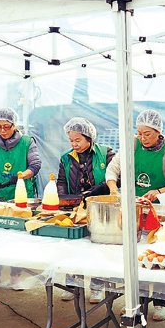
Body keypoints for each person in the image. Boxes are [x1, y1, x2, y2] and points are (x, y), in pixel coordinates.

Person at [106, 109, 165, 321]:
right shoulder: (131, 145)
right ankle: (133, 302)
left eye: (147, 134)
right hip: (133, 211)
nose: (142, 138)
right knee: (133, 259)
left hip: (160, 213)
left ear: (159, 131)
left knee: (159, 258)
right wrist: (114, 189)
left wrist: (160, 191)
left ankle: (161, 302)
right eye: (139, 133)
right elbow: (113, 169)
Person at [0, 108, 41, 294]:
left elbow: (35, 166)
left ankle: (15, 276)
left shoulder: (27, 142)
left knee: (17, 238)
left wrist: (20, 177)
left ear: (14, 125)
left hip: (20, 195)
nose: (2, 130)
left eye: (6, 126)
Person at [57, 117, 116, 304]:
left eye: (78, 140)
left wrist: (101, 187)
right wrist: (63, 197)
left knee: (97, 246)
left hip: (101, 206)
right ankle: (72, 283)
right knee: (73, 246)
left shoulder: (106, 153)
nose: (74, 144)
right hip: (76, 207)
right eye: (71, 140)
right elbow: (61, 181)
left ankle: (97, 286)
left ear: (89, 138)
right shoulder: (66, 157)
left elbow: (117, 176)